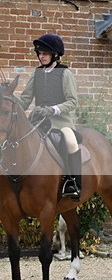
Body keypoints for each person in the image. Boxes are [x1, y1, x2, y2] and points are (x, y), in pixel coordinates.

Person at [17, 33, 82, 200]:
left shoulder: (65, 73)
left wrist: (53, 110)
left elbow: (72, 101)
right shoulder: (37, 73)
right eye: (39, 53)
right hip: (38, 120)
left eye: (45, 53)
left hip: (61, 121)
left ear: (55, 55)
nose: (41, 56)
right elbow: (24, 101)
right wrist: (7, 96)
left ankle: (73, 182)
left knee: (71, 142)